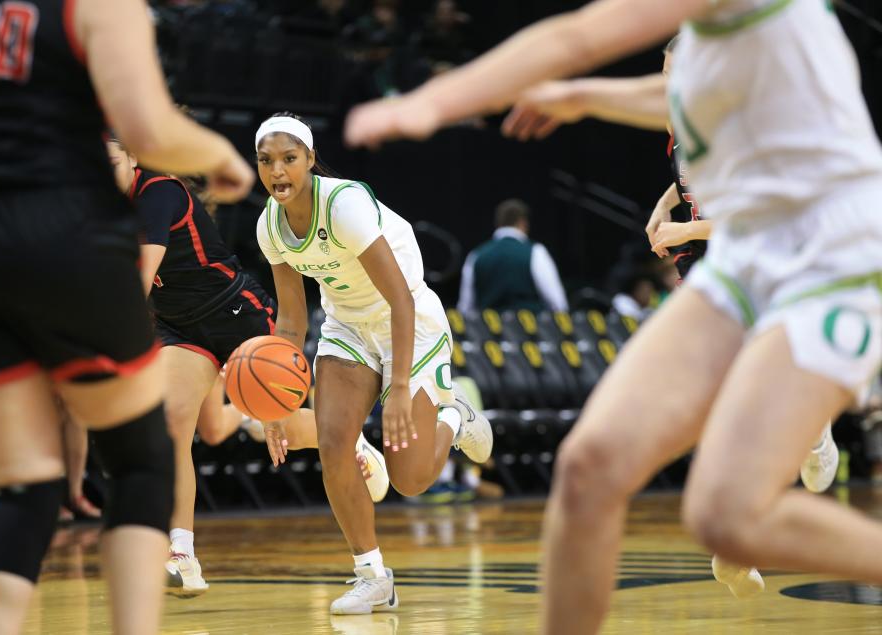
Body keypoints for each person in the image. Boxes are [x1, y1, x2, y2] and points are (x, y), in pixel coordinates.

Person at [344, 2, 882, 635]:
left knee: (728, 514)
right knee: (590, 465)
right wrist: (581, 96)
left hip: (831, 254)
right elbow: (676, 95)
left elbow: (579, 35)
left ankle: (808, 427)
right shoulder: (711, 52)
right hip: (746, 256)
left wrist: (434, 101)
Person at [0, 0, 255, 633]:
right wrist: (219, 155)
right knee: (139, 461)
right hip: (65, 235)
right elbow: (150, 129)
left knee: (23, 490)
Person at [502, 30, 842, 597]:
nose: (670, 85)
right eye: (664, 75)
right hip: (707, 260)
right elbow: (685, 177)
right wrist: (664, 207)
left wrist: (683, 225)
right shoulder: (679, 126)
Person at [107, 139, 391, 595]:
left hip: (235, 313)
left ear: (134, 158)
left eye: (111, 161)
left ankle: (345, 439)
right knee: (172, 423)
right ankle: (182, 555)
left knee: (280, 429)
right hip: (181, 329)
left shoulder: (158, 191)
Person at [255, 112, 493, 614]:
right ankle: (373, 576)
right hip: (346, 327)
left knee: (410, 480)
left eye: (289, 159)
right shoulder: (269, 227)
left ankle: (456, 418)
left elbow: (401, 301)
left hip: (406, 318)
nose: (278, 171)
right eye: (266, 161)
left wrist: (400, 388)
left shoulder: (343, 205)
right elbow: (293, 322)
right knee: (334, 443)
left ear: (311, 160)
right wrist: (277, 403)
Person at [457, 198, 568, 315]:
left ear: (498, 223)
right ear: (523, 222)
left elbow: (465, 307)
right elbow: (558, 303)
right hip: (529, 330)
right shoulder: (536, 251)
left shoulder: (476, 255)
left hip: (486, 330)